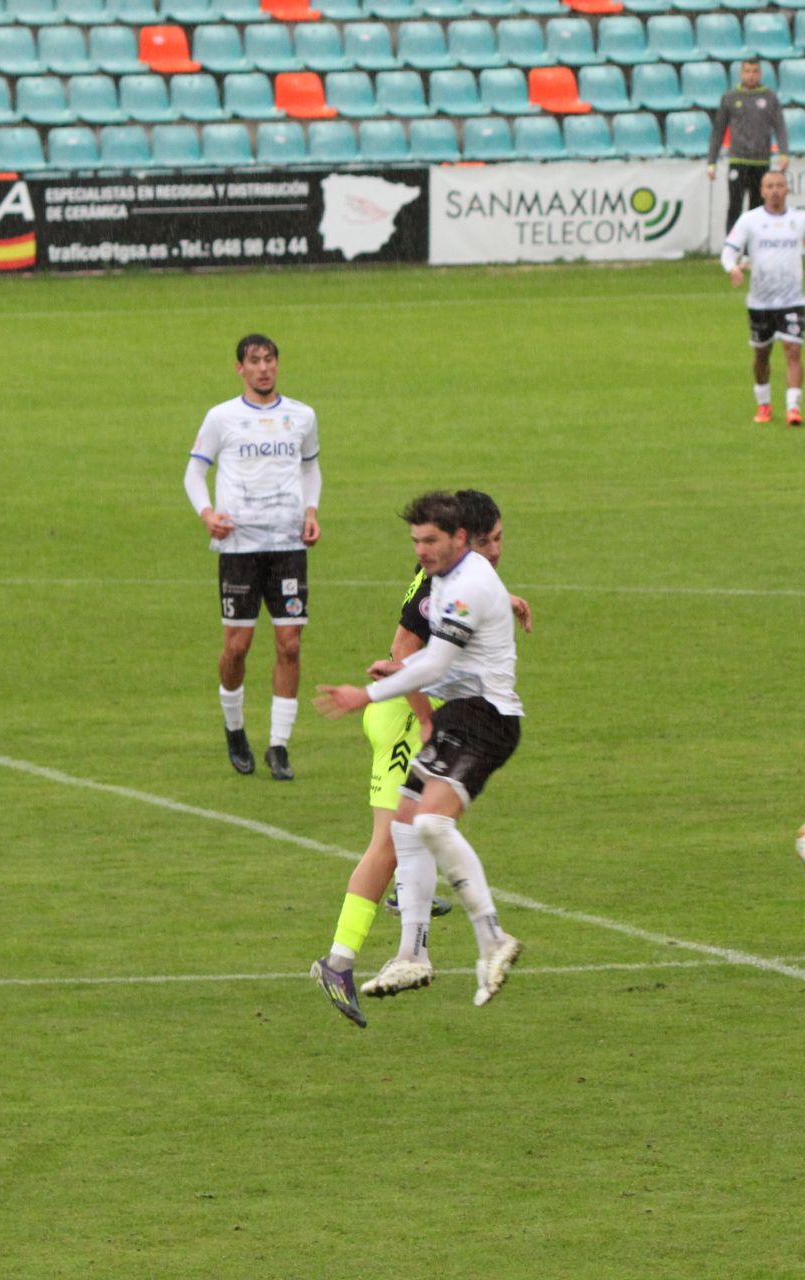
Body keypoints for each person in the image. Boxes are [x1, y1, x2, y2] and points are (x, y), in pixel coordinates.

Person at [311, 491, 527, 1027]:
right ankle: (349, 959)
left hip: (442, 710)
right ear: (467, 538)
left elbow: (460, 615)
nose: (498, 550)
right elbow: (415, 655)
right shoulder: (446, 578)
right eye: (492, 540)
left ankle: (409, 953)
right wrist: (409, 712)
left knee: (410, 829)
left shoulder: (463, 579)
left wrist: (505, 600)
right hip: (418, 713)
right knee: (402, 834)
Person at [183, 334, 321, 781]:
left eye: (270, 360)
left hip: (288, 545)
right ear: (239, 368)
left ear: (278, 364)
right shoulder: (222, 417)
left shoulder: (301, 416)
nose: (264, 368)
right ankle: (234, 727)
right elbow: (194, 471)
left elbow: (310, 466)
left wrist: (312, 511)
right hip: (239, 546)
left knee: (290, 644)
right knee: (237, 647)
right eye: (254, 361)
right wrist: (207, 514)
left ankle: (279, 745)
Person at [721, 168, 805, 428]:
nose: (775, 191)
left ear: (787, 190)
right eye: (769, 186)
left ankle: (793, 408)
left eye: (780, 185)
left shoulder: (801, 219)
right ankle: (764, 403)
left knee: (793, 350)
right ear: (762, 191)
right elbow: (728, 250)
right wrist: (732, 267)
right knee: (762, 355)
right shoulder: (750, 220)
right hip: (760, 301)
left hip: (793, 299)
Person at [705, 59, 791, 229]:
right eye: (747, 71)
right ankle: (732, 249)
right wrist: (711, 161)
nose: (751, 75)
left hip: (761, 161)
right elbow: (718, 131)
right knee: (735, 206)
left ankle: (750, 251)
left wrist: (784, 152)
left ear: (760, 74)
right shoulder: (730, 97)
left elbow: (779, 126)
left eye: (754, 71)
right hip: (738, 159)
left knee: (757, 207)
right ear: (741, 74)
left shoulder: (769, 97)